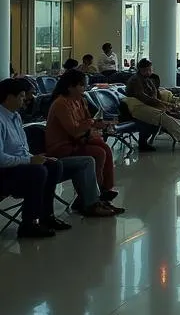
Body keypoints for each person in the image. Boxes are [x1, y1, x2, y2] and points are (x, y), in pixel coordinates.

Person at [44, 70, 122, 212]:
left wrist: (98, 124)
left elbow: (85, 124)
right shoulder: (61, 103)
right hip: (62, 146)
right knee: (98, 153)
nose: (84, 88)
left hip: (78, 141)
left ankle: (103, 191)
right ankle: (92, 196)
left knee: (105, 148)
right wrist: (91, 123)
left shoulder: (80, 100)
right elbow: (74, 131)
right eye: (81, 85)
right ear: (70, 87)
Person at [0, 78, 68, 238]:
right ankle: (29, 223)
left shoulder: (15, 117)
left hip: (17, 167)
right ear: (9, 97)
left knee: (53, 165)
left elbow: (21, 151)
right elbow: (1, 159)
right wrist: (30, 161)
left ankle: (46, 215)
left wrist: (35, 157)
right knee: (37, 172)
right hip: (4, 172)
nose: (25, 100)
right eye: (22, 96)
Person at [124, 60, 180, 149]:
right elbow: (145, 98)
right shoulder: (135, 80)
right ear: (140, 70)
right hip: (137, 107)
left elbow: (155, 96)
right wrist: (166, 104)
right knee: (162, 116)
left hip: (145, 105)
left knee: (170, 117)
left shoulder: (147, 79)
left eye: (150, 70)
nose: (148, 72)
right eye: (146, 70)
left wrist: (165, 105)